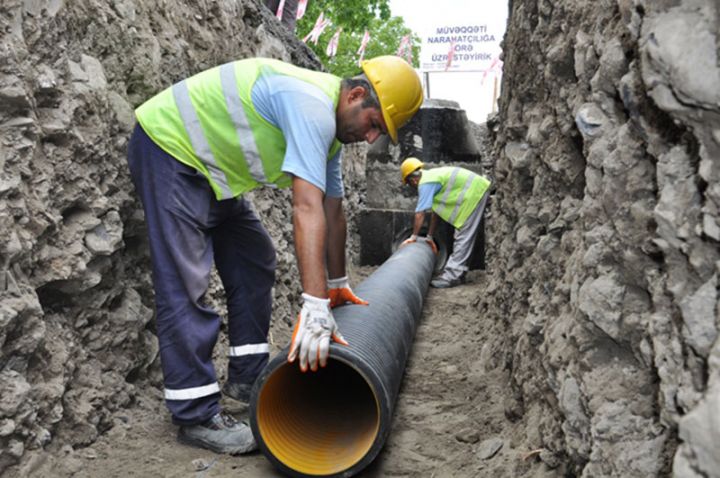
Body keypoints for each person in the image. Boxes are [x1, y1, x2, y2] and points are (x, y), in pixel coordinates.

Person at [126, 56, 423, 455]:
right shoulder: (310, 106)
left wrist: (337, 286)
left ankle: (246, 378)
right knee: (185, 282)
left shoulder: (331, 136)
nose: (372, 138)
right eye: (373, 124)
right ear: (355, 95)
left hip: (214, 173)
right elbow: (306, 207)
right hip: (170, 151)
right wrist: (314, 307)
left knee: (255, 259)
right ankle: (194, 413)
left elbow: (333, 210)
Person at [399, 157, 491, 288]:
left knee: (463, 236)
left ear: (413, 180)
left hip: (474, 194)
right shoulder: (431, 178)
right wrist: (429, 236)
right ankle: (459, 274)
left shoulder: (425, 183)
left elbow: (420, 213)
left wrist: (413, 237)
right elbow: (436, 213)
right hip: (474, 192)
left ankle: (451, 277)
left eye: (408, 184)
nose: (411, 187)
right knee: (462, 236)